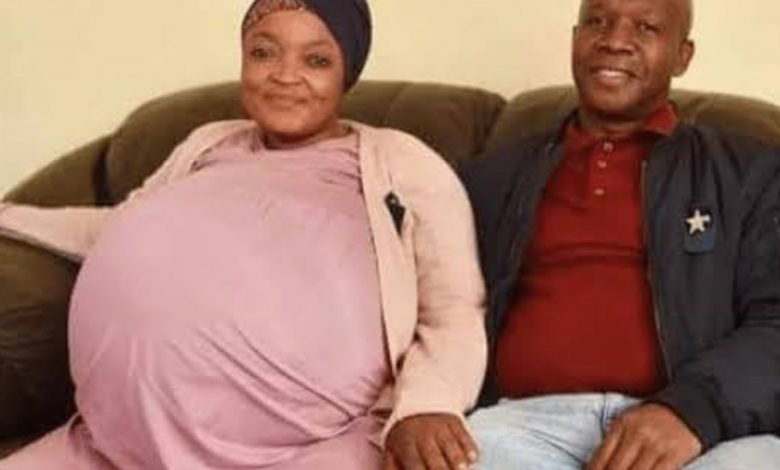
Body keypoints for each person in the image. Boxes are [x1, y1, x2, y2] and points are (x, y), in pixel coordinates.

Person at [0, 0, 487, 468]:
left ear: (347, 74)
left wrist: (428, 404)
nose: (284, 75)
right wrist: (12, 215)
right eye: (263, 52)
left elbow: (453, 307)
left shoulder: (402, 161)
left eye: (316, 60)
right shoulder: (208, 142)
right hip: (111, 445)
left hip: (309, 448)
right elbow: (119, 226)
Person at [460, 0, 780, 468]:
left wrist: (692, 411)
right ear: (575, 40)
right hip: (526, 427)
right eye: (597, 21)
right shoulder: (490, 180)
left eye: (646, 27)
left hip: (701, 431)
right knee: (464, 455)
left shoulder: (750, 174)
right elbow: (430, 308)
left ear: (682, 56)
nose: (614, 40)